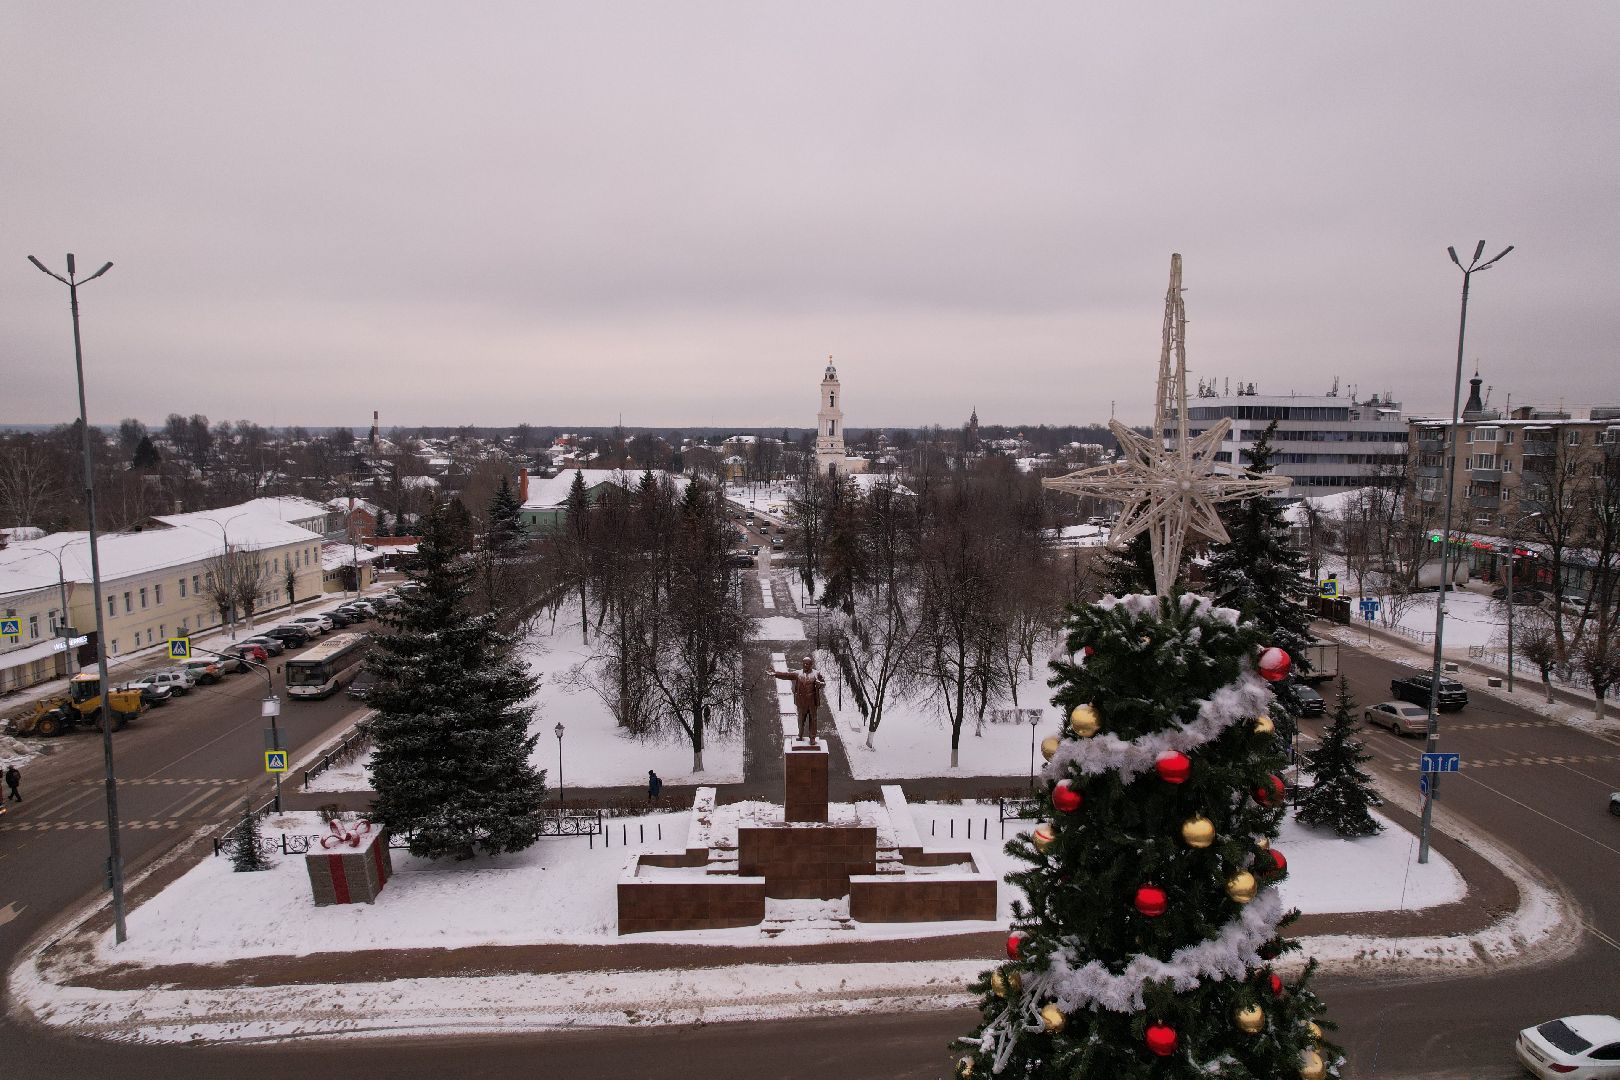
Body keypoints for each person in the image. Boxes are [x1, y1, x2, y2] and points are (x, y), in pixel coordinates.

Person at [768, 655, 826, 743]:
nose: (806, 665)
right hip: (802, 702)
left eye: (807, 664)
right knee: (801, 720)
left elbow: (823, 683)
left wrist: (820, 684)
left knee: (813, 720)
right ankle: (800, 735)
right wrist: (776, 673)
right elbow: (787, 675)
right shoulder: (798, 673)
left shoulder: (816, 674)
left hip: (812, 702)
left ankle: (812, 737)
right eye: (804, 664)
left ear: (811, 665)